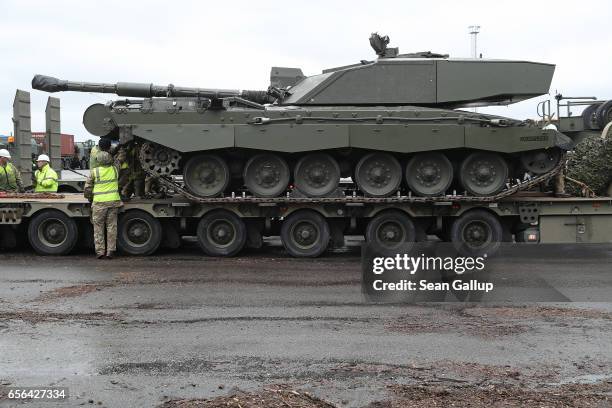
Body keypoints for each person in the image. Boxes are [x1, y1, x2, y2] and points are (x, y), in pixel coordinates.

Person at [83, 151, 123, 259]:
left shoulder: (94, 172)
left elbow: (87, 189)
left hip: (99, 203)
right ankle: (110, 251)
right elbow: (118, 161)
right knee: (112, 227)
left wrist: (89, 198)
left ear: (98, 161)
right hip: (113, 202)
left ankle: (100, 252)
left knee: (98, 227)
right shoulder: (115, 170)